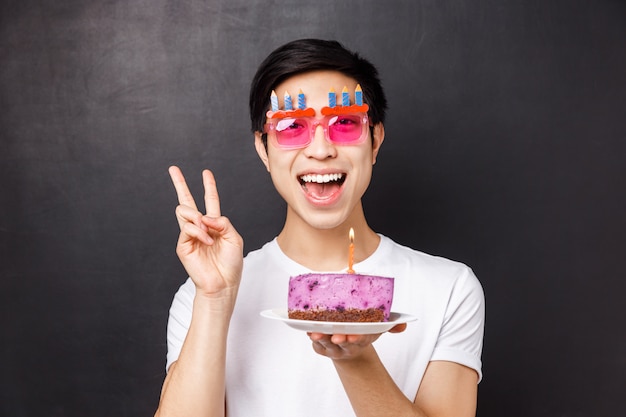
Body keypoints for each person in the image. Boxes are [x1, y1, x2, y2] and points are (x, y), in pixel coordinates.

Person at [154, 39, 485, 417]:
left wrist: (354, 357)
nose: (321, 149)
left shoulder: (449, 290)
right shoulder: (202, 296)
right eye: (292, 126)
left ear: (375, 140)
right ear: (263, 149)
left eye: (345, 123)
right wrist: (214, 300)